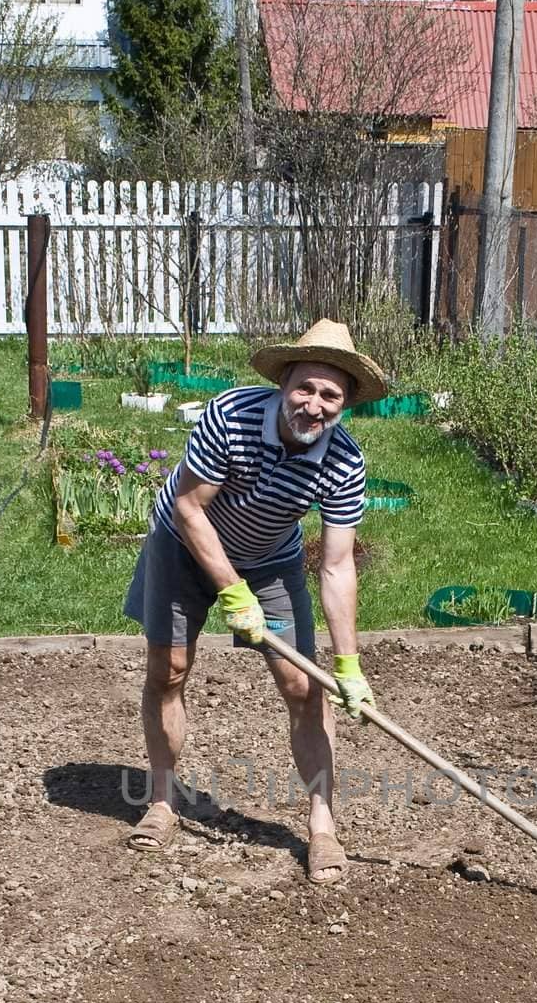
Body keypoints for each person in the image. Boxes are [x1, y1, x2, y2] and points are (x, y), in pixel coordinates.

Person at [123, 319, 388, 883]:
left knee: (303, 685)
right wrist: (231, 591)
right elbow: (190, 510)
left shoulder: (343, 462)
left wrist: (348, 664)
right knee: (168, 671)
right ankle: (164, 801)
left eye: (331, 395)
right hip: (181, 544)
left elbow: (337, 565)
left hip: (269, 557)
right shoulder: (231, 417)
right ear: (284, 384)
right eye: (306, 388)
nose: (314, 406)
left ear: (345, 405)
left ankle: (323, 826)